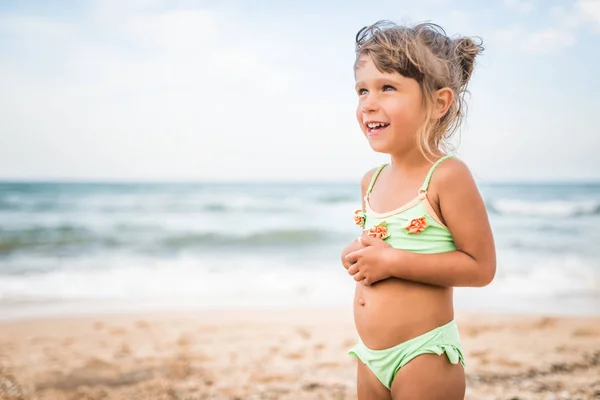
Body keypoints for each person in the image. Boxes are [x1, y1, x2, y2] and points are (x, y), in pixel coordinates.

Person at [340, 20, 496, 400]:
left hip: (423, 353)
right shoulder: (371, 180)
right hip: (370, 355)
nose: (369, 103)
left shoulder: (447, 176)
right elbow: (383, 248)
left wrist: (393, 262)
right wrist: (358, 255)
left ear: (440, 103)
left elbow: (480, 268)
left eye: (387, 88)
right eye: (362, 90)